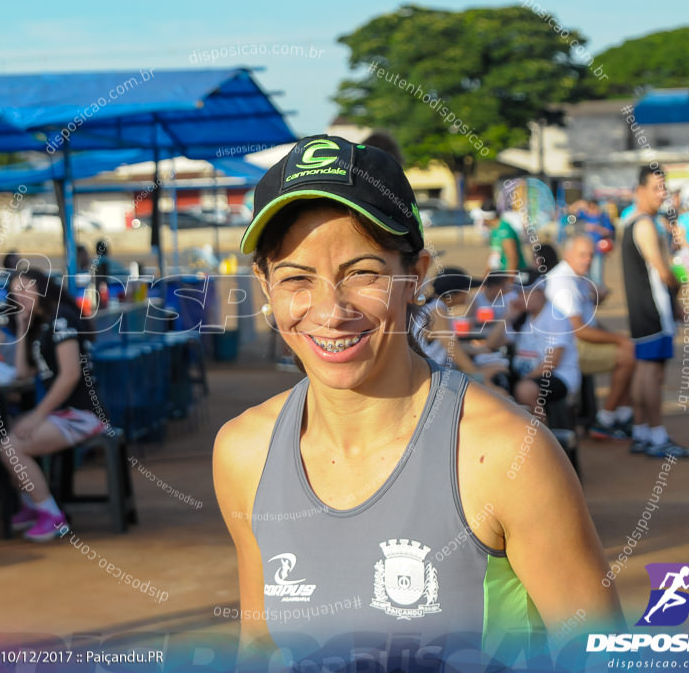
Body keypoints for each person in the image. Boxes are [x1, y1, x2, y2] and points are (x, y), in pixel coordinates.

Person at [216, 135, 622, 666]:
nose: (330, 310)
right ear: (265, 287)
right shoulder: (245, 453)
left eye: (363, 273)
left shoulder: (504, 454)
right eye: (297, 278)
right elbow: (260, 646)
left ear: (417, 275)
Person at [2, 268, 106, 541]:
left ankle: (51, 515)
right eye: (15, 293)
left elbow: (70, 375)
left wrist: (37, 416)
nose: (20, 297)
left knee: (11, 447)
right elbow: (23, 372)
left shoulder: (62, 319)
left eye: (26, 289)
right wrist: (23, 327)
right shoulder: (40, 324)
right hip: (61, 414)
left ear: (42, 288)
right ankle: (32, 504)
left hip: (82, 415)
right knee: (0, 435)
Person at [619, 166, 689, 458]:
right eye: (656, 187)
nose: (662, 193)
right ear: (640, 190)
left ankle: (642, 432)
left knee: (644, 371)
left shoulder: (636, 222)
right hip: (652, 310)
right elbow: (662, 271)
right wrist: (679, 286)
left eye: (664, 187)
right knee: (652, 373)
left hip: (643, 310)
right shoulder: (646, 225)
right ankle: (657, 435)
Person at [545, 235, 635, 440]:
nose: (588, 260)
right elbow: (580, 330)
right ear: (567, 255)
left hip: (575, 343)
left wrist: (617, 337)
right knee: (629, 353)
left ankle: (621, 415)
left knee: (631, 348)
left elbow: (590, 322)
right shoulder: (563, 283)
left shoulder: (577, 277)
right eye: (582, 255)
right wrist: (619, 340)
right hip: (569, 349)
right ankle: (605, 420)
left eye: (591, 255)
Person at [485, 275, 581, 417]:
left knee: (524, 390)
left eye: (527, 292)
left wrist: (524, 379)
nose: (522, 297)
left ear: (541, 292)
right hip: (526, 373)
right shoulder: (522, 317)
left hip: (559, 375)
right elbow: (491, 344)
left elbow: (552, 362)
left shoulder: (555, 316)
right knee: (489, 374)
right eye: (519, 293)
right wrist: (508, 316)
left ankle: (543, 435)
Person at [480, 199, 527, 273]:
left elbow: (513, 257)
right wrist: (485, 278)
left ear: (486, 217)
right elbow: (493, 255)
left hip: (516, 275)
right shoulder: (494, 230)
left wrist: (509, 280)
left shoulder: (504, 229)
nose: (481, 220)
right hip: (502, 274)